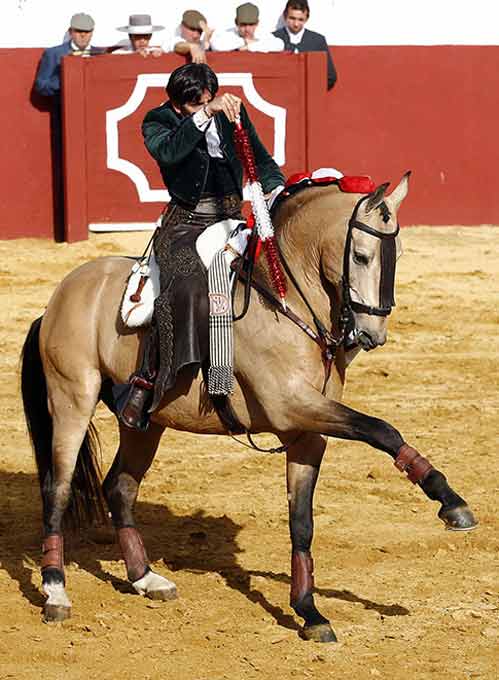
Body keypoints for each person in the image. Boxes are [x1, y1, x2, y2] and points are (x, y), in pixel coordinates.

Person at [118, 63, 285, 430]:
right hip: (185, 224)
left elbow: (260, 158)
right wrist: (203, 115)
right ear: (178, 105)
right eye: (195, 105)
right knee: (191, 290)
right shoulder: (156, 120)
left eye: (207, 101)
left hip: (231, 218)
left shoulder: (228, 114)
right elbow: (169, 154)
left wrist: (275, 188)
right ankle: (146, 381)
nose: (205, 107)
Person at [273, 0, 337, 90]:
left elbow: (330, 76)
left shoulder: (317, 41)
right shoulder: (272, 39)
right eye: (292, 18)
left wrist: (313, 91)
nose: (296, 24)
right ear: (285, 16)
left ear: (307, 18)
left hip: (309, 99)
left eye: (300, 19)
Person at [34, 13, 97, 97]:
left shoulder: (99, 54)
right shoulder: (53, 54)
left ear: (92, 32)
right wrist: (63, 80)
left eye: (87, 31)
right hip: (65, 107)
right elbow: (41, 86)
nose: (83, 35)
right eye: (78, 31)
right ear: (71, 32)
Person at [210, 2, 284, 53]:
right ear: (236, 23)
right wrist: (245, 41)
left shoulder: (261, 34)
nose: (247, 29)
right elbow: (216, 45)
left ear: (257, 23)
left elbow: (279, 44)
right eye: (243, 25)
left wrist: (250, 46)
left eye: (251, 24)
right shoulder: (229, 33)